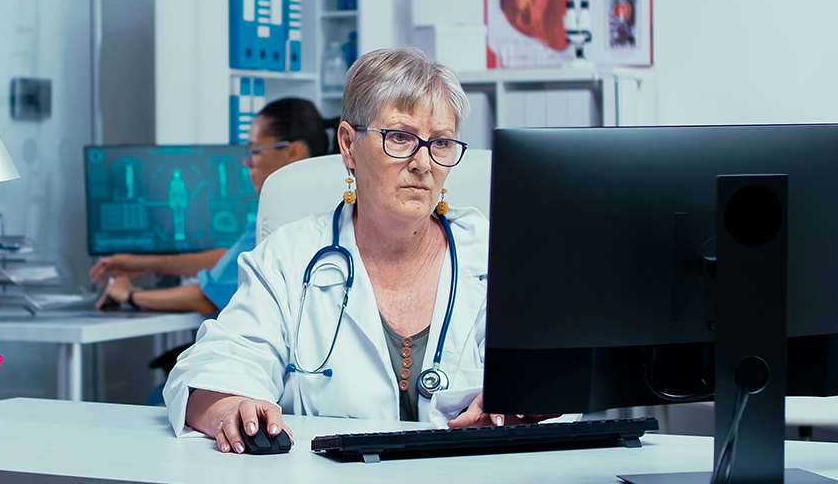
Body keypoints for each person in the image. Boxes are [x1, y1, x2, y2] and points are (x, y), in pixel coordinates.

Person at [165, 48, 549, 454]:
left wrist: (520, 407)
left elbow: (556, 377)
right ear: (348, 144)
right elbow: (212, 370)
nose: (423, 163)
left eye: (440, 142)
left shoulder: (493, 254)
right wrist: (231, 407)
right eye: (400, 137)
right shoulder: (289, 258)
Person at [92, 97, 335, 314]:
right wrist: (148, 264)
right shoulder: (325, 207)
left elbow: (206, 298)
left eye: (255, 150)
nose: (247, 162)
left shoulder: (282, 218)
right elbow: (234, 261)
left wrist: (129, 295)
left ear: (293, 151)